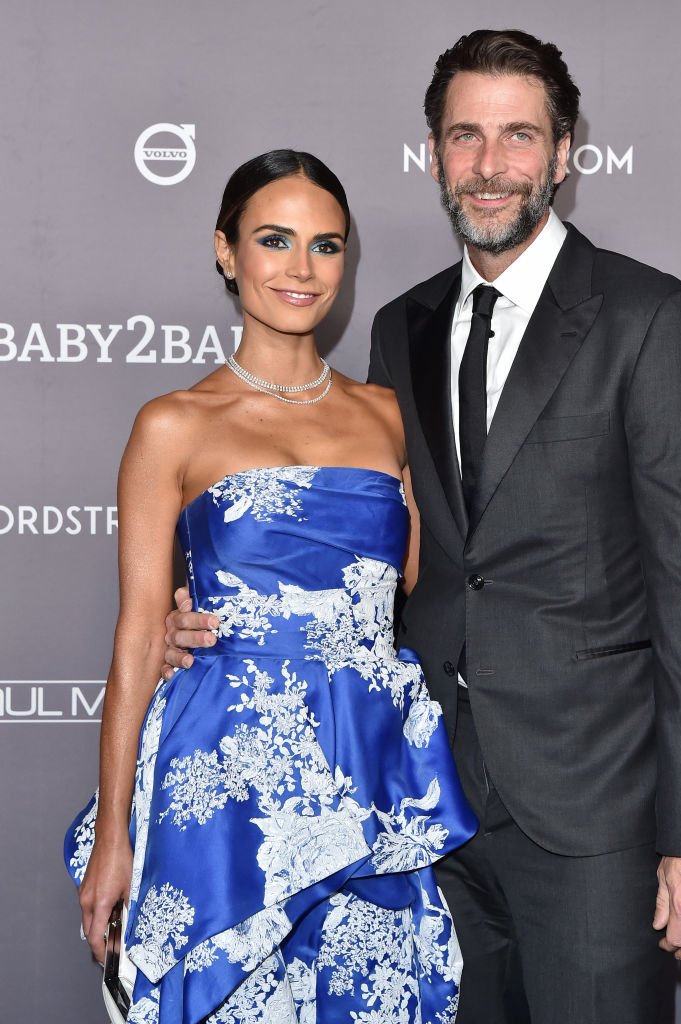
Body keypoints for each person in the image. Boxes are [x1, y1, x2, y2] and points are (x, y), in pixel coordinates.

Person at [163, 30, 681, 1024]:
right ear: (432, 152)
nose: (488, 167)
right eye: (464, 136)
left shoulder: (648, 321)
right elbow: (371, 558)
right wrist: (219, 617)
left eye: (517, 136)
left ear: (564, 154)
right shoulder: (402, 325)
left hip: (591, 819)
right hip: (422, 815)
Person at [64, 149, 477, 1024]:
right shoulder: (174, 424)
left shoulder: (392, 416)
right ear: (226, 252)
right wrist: (113, 836)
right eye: (274, 240)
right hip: (223, 772)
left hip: (367, 766)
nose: (300, 269)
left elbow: (426, 587)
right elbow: (140, 635)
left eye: (325, 246)